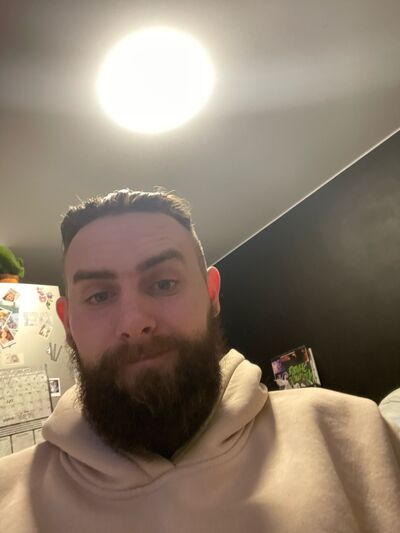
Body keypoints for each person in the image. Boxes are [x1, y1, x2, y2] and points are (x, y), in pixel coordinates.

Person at [0, 188, 399, 533]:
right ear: (68, 324)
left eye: (164, 283)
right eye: (100, 296)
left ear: (211, 295)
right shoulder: (8, 499)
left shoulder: (350, 430)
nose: (135, 322)